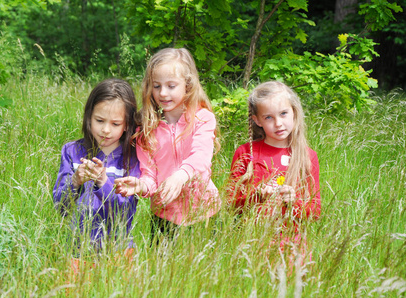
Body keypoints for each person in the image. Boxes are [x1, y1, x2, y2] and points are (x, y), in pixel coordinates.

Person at [115, 48, 221, 240]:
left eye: (171, 86)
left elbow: (201, 156)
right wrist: (140, 185)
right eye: (157, 86)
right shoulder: (146, 130)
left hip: (204, 213)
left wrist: (180, 176)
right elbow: (150, 177)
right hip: (165, 217)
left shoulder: (203, 119)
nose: (163, 93)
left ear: (187, 85)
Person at [227, 81, 321, 266]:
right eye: (268, 117)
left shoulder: (307, 156)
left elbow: (315, 212)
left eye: (284, 114)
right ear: (257, 120)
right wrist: (256, 195)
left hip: (294, 247)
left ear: (294, 112)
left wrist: (295, 201)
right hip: (253, 246)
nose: (278, 123)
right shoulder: (247, 153)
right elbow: (231, 204)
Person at [52, 78, 140, 268]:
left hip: (119, 250)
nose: (106, 130)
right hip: (77, 250)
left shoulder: (132, 159)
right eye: (99, 120)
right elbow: (60, 207)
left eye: (115, 124)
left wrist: (103, 182)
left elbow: (126, 213)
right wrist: (75, 181)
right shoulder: (72, 152)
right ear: (89, 116)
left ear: (126, 125)